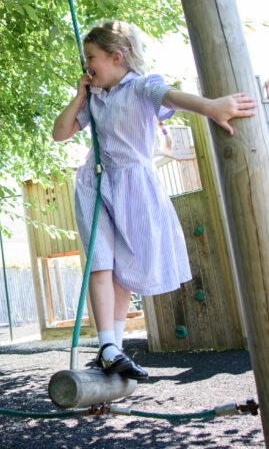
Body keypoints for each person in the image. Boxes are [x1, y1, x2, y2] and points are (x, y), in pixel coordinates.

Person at [52, 20, 256, 380]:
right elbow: (60, 133)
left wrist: (210, 106)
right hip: (95, 184)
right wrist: (80, 95)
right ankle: (108, 347)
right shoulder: (95, 97)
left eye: (91, 58)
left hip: (134, 184)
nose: (86, 66)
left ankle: (113, 348)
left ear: (117, 57)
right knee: (100, 263)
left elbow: (171, 96)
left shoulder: (142, 86)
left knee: (124, 269)